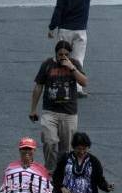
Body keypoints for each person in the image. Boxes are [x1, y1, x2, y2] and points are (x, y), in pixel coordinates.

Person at [48, 0, 114, 89]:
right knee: (78, 59)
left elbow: (58, 12)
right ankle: (78, 87)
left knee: (62, 57)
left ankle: (62, 85)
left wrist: (51, 28)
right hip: (80, 31)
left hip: (65, 30)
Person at [30, 40, 88, 171]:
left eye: (66, 54)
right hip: (50, 112)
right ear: (55, 53)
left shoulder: (75, 64)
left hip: (69, 113)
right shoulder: (47, 65)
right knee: (49, 142)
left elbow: (84, 82)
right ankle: (50, 170)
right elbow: (38, 86)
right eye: (60, 54)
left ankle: (62, 172)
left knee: (66, 149)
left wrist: (72, 68)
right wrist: (33, 109)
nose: (63, 57)